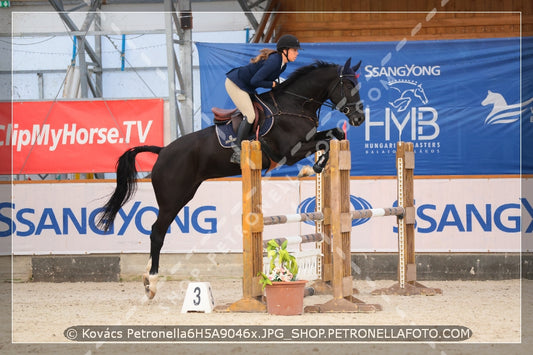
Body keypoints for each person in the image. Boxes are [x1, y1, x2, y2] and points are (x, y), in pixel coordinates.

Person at [225, 34, 301, 164]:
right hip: (236, 84)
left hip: (246, 86)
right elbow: (256, 80)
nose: (297, 53)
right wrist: (273, 85)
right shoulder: (275, 61)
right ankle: (237, 152)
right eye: (294, 50)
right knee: (250, 115)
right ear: (285, 50)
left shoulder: (283, 65)